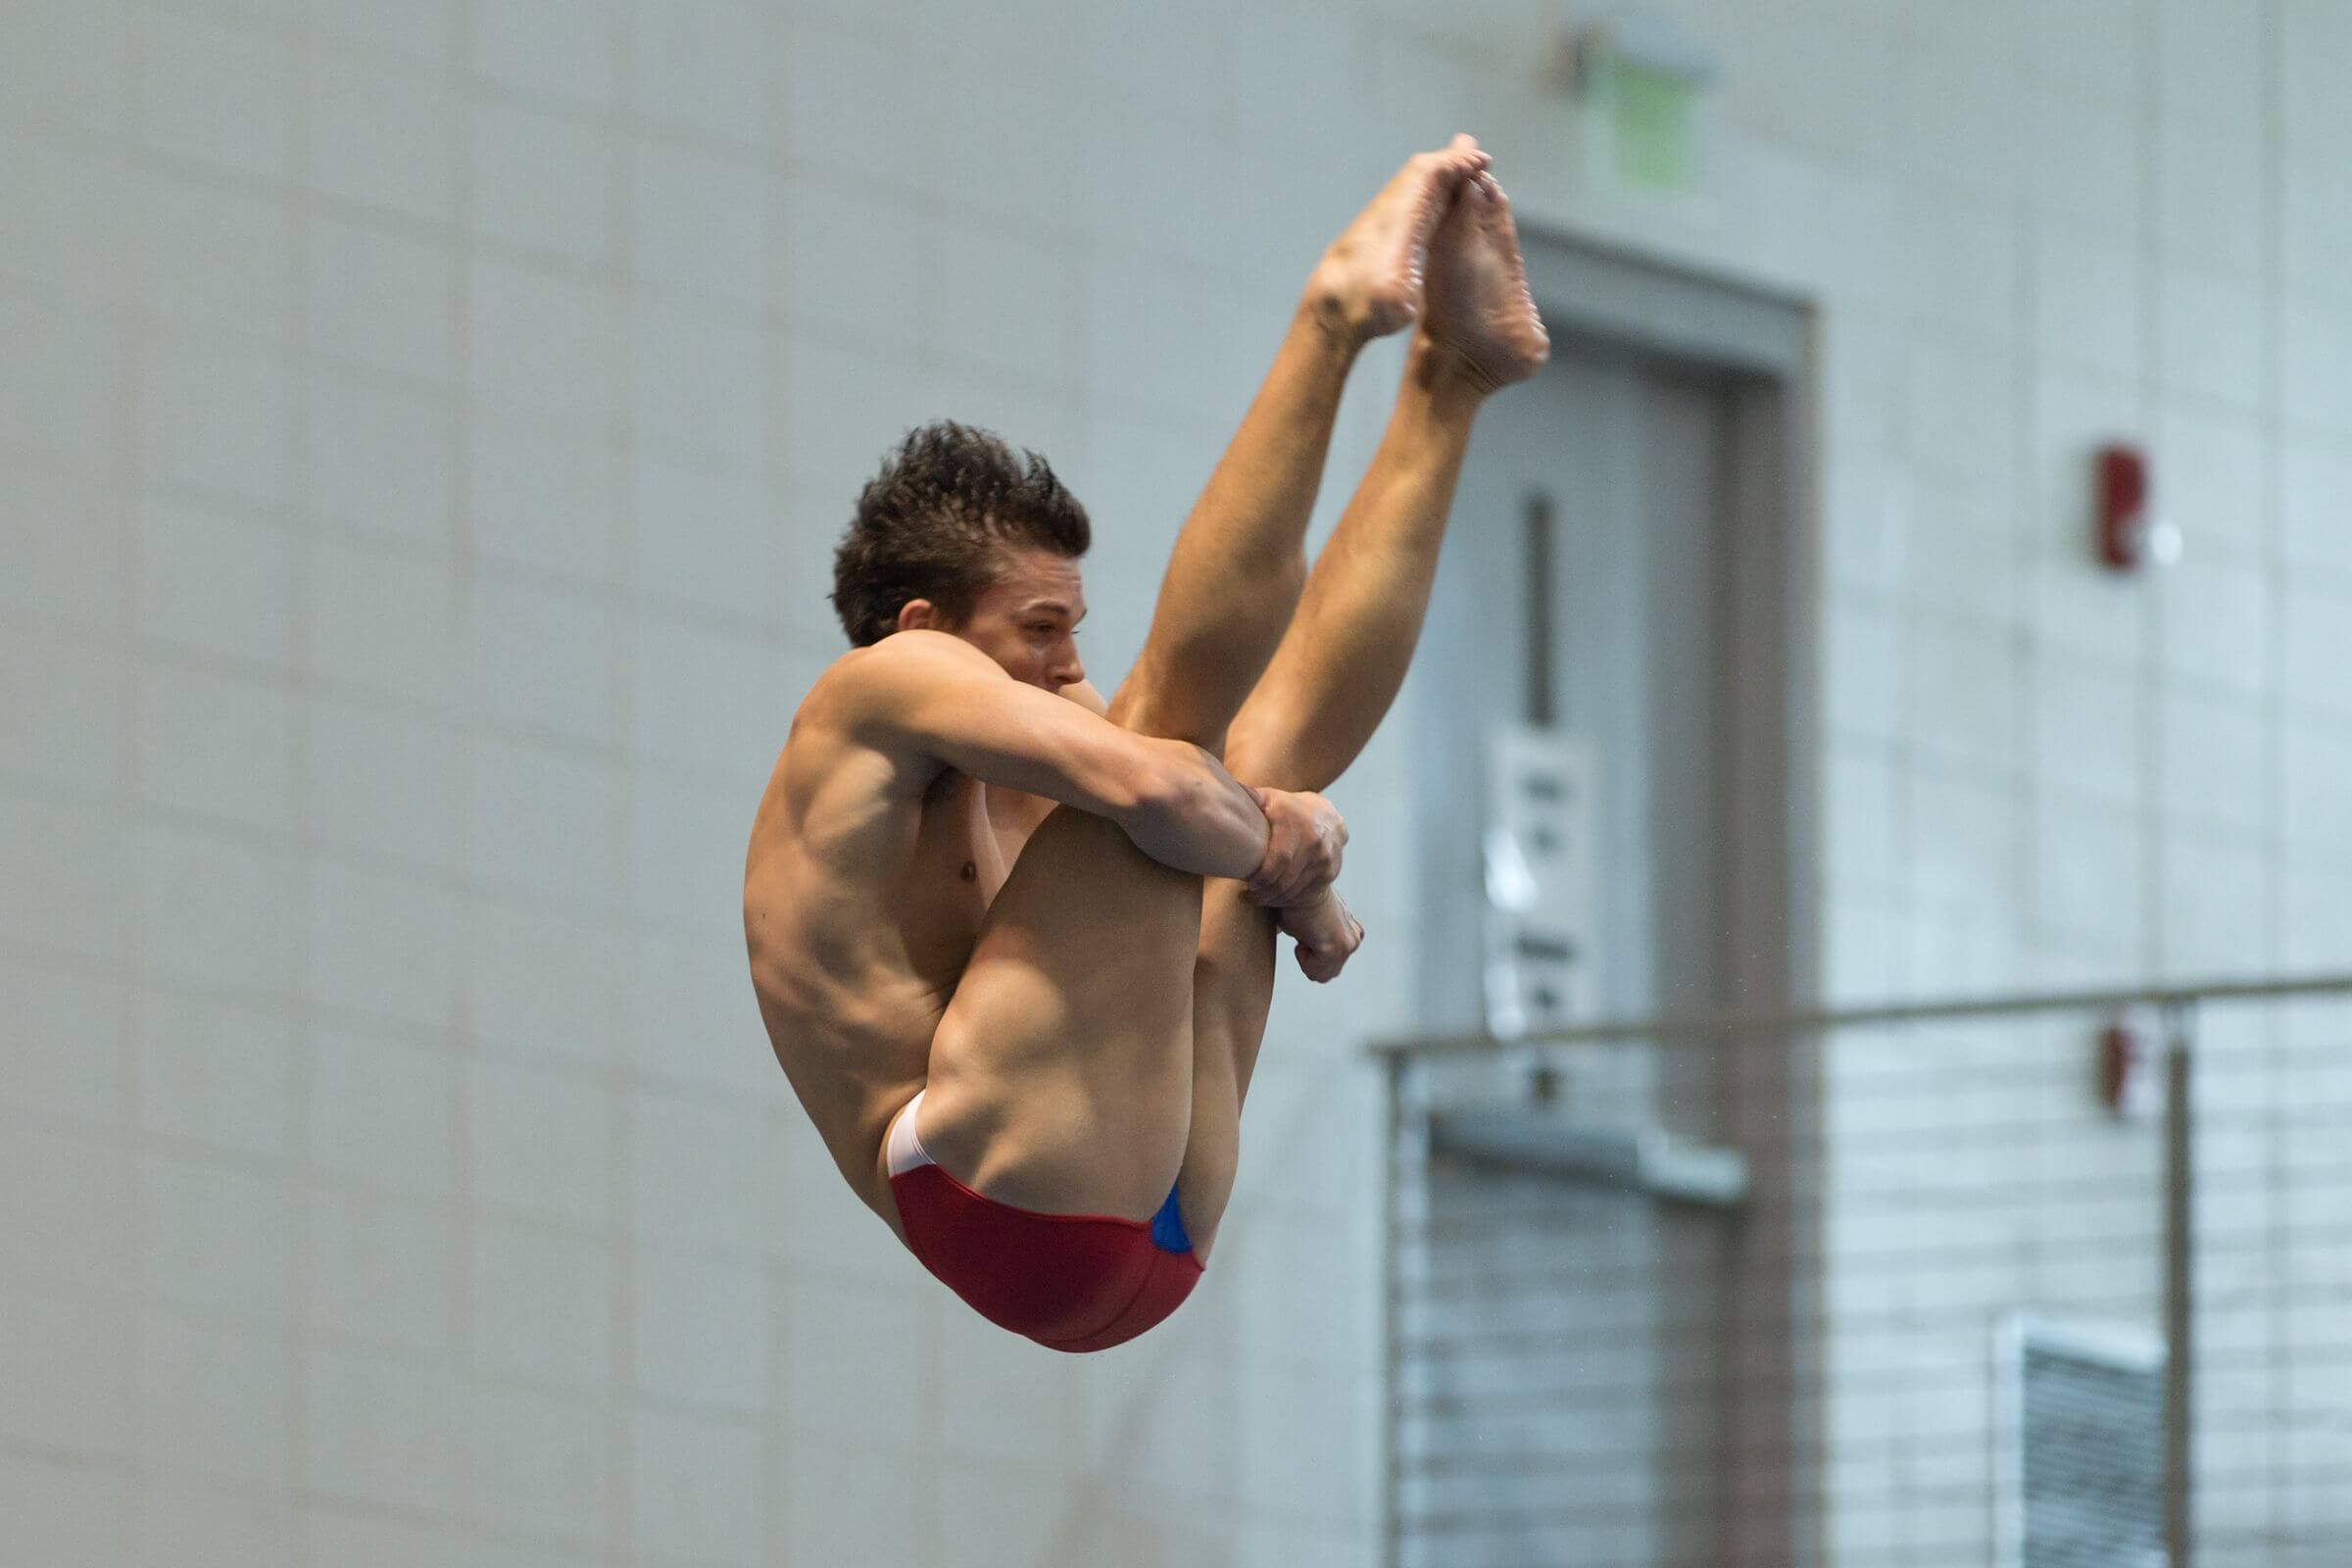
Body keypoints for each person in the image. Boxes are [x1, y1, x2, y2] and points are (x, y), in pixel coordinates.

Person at [744, 133, 1549, 1351]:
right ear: (925, 626)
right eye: (1039, 628)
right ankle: (1331, 321)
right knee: (1176, 742)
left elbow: (1218, 797)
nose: (1070, 665)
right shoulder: (876, 693)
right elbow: (1181, 788)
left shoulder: (1034, 725)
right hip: (989, 1190)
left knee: (1228, 754)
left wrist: (1282, 839)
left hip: (1156, 1217)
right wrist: (1292, 860)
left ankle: (1450, 379)